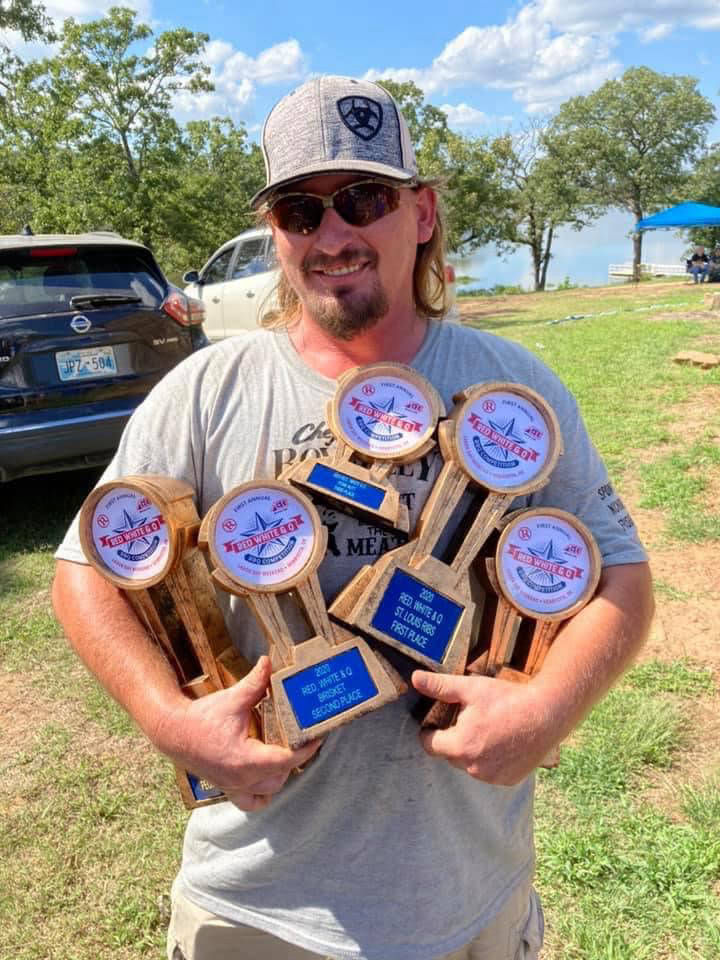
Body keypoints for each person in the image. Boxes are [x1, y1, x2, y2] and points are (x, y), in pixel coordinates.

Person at [52, 76, 653, 960]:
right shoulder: (209, 389)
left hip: (468, 902)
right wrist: (166, 719)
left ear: (421, 212)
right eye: (300, 211)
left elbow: (623, 577)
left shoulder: (518, 390)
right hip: (256, 913)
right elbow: (82, 575)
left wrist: (548, 711)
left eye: (363, 198)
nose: (333, 235)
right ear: (276, 235)